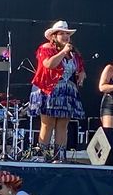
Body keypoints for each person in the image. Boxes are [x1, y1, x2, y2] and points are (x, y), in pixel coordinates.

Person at [29, 20, 85, 162]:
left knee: (63, 125)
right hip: (49, 89)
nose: (66, 36)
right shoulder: (46, 48)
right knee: (47, 124)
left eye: (67, 34)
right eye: (62, 34)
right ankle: (42, 155)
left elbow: (79, 67)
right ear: (54, 36)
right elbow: (49, 64)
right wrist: (63, 52)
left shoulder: (73, 52)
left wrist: (81, 74)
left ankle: (59, 156)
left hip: (66, 92)